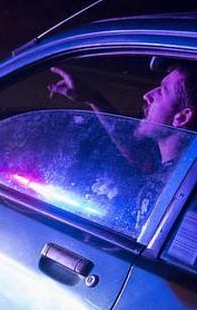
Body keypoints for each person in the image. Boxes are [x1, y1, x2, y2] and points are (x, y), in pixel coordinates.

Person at [49, 60, 197, 226]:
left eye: (162, 92)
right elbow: (134, 149)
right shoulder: (176, 167)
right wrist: (92, 98)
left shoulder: (187, 196)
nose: (147, 95)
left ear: (182, 117)